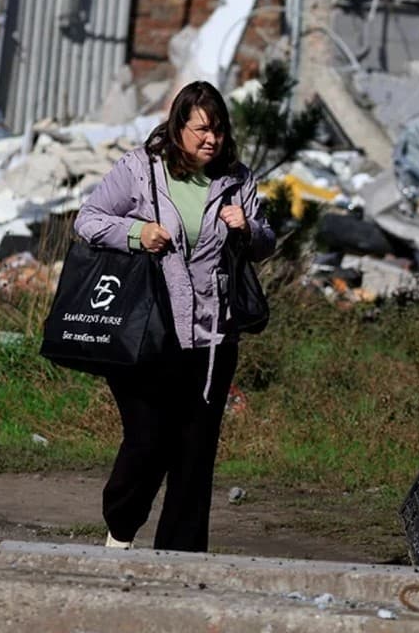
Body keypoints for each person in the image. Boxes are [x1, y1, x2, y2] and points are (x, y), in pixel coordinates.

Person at [74, 81, 273, 553]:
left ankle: (181, 559)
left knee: (194, 453)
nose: (212, 140)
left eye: (219, 131)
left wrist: (249, 230)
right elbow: (88, 219)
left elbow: (266, 243)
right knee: (148, 439)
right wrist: (136, 232)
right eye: (202, 129)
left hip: (210, 338)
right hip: (143, 334)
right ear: (177, 126)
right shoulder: (140, 169)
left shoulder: (237, 181)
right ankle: (120, 528)